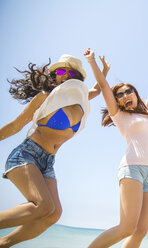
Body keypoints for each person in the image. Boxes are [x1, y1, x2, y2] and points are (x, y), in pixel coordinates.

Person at [0, 54, 110, 247]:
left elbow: (97, 89)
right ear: (54, 76)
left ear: (78, 78)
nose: (66, 75)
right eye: (61, 71)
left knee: (54, 214)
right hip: (27, 155)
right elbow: (15, 125)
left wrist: (104, 71)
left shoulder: (81, 98)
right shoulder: (45, 97)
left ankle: (4, 243)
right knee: (43, 206)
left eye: (72, 72)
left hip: (48, 163)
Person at [84, 48, 148, 248]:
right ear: (117, 101)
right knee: (127, 227)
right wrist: (92, 61)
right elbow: (103, 85)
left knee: (141, 231)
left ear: (135, 94)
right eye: (120, 94)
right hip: (132, 168)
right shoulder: (120, 116)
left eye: (129, 91)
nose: (125, 95)